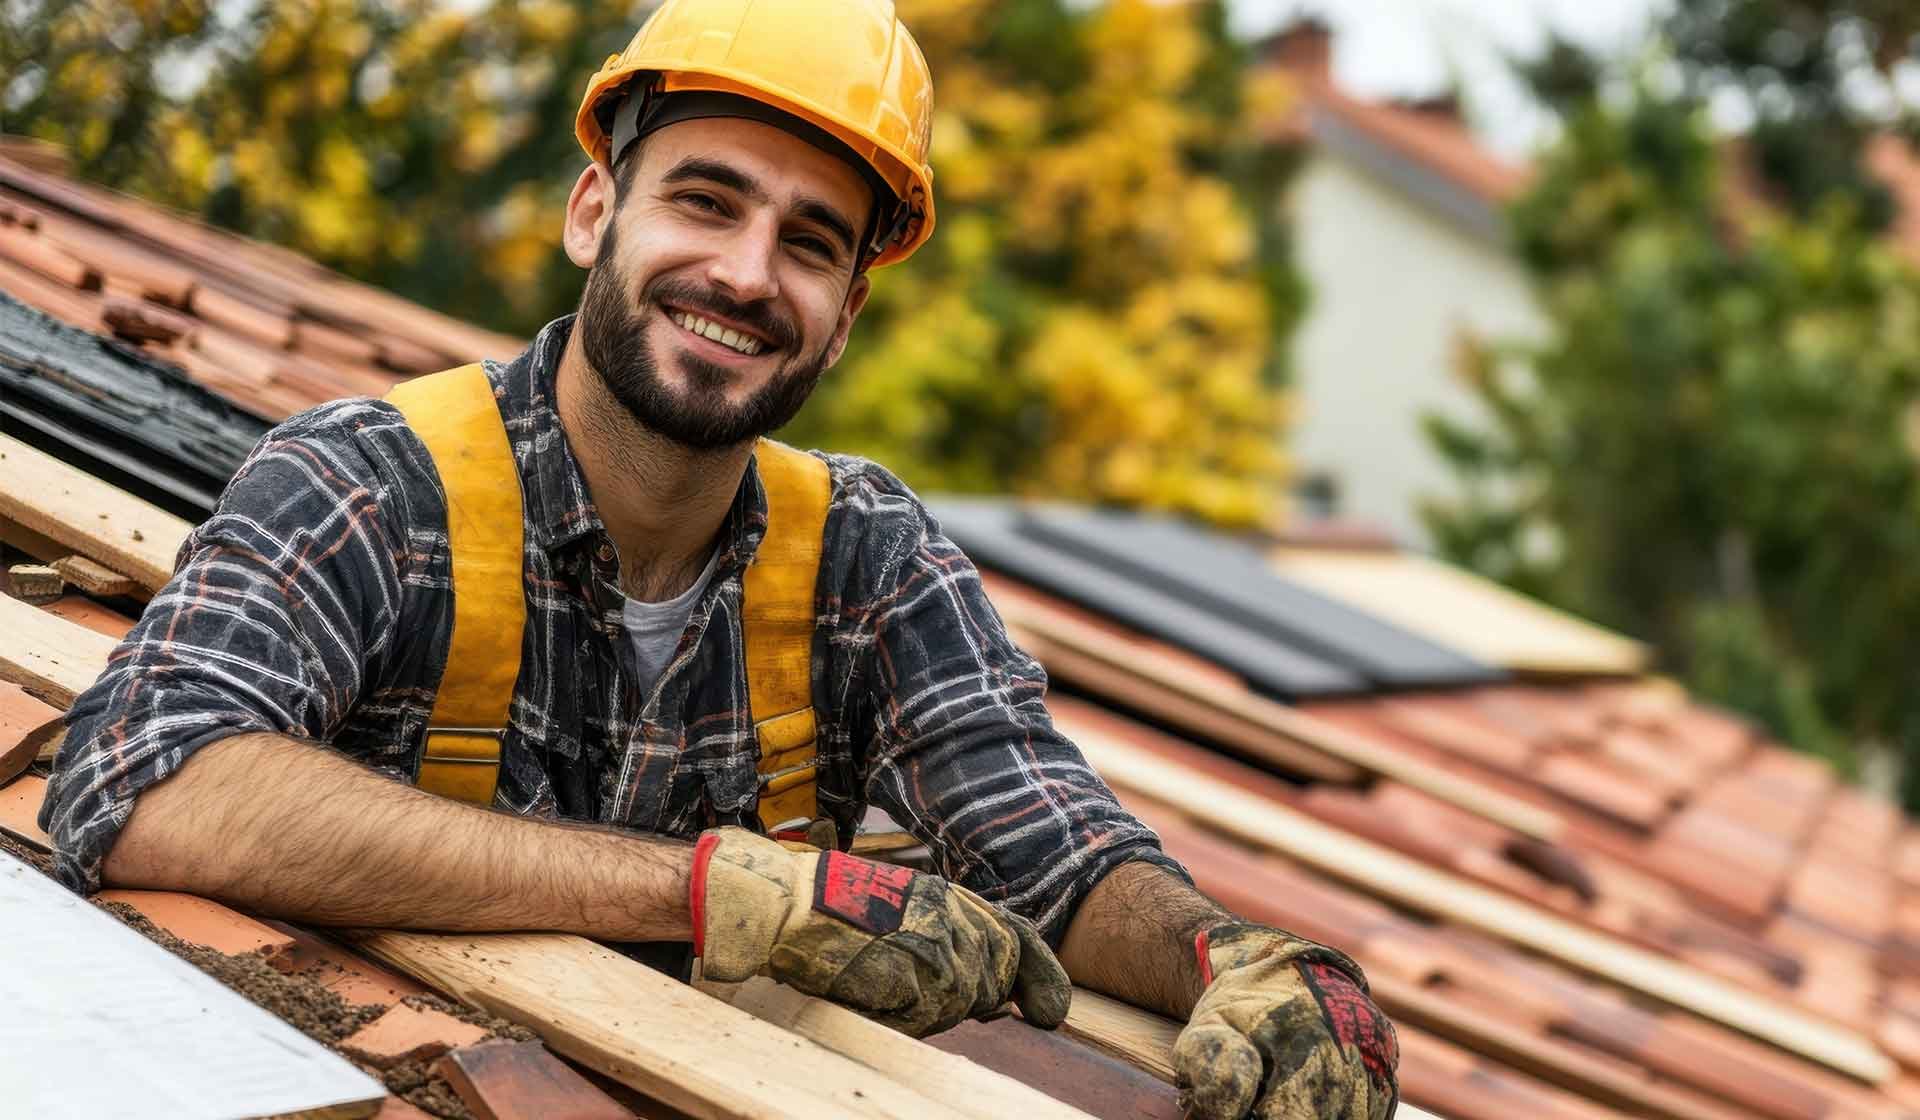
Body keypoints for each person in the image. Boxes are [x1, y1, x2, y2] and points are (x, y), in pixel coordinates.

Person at [39, 1, 1397, 1116]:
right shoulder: (370, 483)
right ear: (593, 214)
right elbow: (143, 784)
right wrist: (709, 890)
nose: (748, 275)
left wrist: (1234, 955)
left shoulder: (868, 562)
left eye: (811, 244)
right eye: (707, 199)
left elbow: (1057, 849)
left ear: (849, 313)